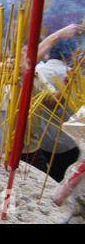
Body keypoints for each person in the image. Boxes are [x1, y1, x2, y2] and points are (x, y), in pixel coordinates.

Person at [37, 38, 80, 182]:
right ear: (72, 53)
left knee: (41, 179)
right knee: (60, 179)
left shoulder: (37, 72)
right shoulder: (77, 77)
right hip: (68, 142)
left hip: (40, 140)